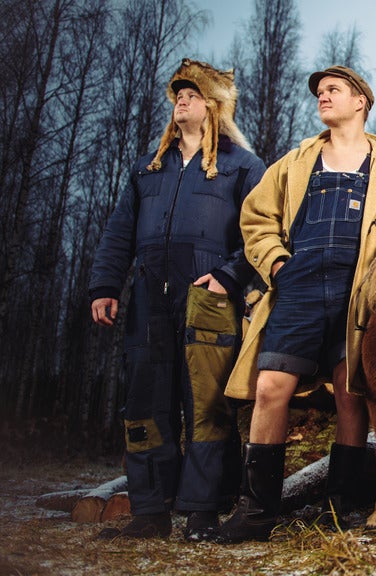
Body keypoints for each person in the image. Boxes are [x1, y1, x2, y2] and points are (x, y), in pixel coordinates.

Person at [215, 66, 376, 543]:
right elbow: (256, 217)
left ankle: (340, 506)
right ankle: (256, 511)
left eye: (333, 90)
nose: (322, 97)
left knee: (351, 393)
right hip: (298, 288)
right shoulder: (295, 162)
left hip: (362, 296)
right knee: (271, 387)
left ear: (361, 102)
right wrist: (275, 265)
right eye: (319, 92)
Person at [89, 58, 266, 541]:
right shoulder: (150, 168)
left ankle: (203, 511)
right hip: (147, 295)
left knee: (206, 404)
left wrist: (229, 278)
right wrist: (106, 286)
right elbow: (118, 231)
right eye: (177, 97)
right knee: (146, 403)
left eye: (190, 96)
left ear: (213, 106)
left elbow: (262, 233)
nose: (180, 102)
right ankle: (150, 512)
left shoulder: (243, 166)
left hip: (206, 298)